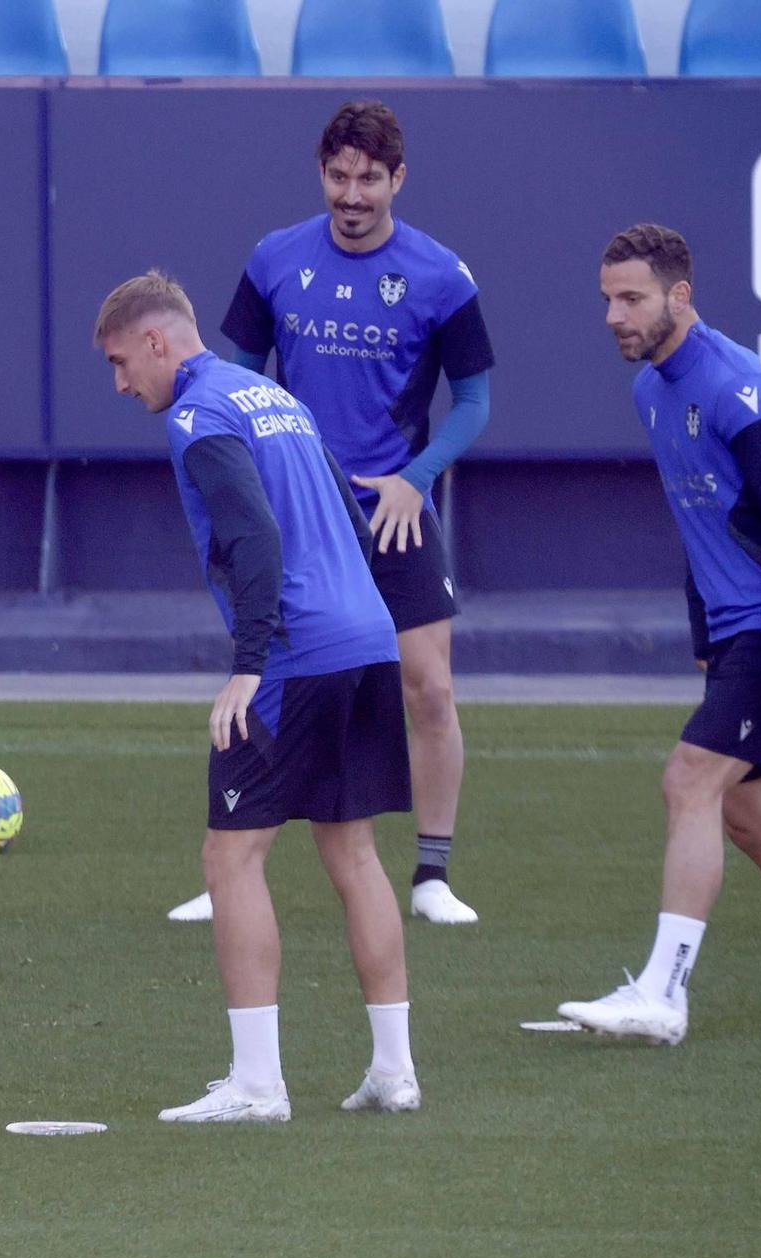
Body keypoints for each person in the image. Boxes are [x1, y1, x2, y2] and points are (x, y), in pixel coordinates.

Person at [97, 272, 418, 1123]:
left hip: (293, 656)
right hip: (367, 639)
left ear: (158, 341)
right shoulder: (272, 394)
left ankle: (257, 1084)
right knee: (353, 855)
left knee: (230, 856)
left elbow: (253, 537)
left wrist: (248, 663)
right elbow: (352, 525)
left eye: (123, 362)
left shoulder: (200, 415)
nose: (122, 383)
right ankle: (394, 1071)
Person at [170, 99, 494, 927]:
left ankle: (431, 873)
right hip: (300, 517)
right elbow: (231, 378)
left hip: (394, 510)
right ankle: (232, 867)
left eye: (370, 179)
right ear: (322, 172)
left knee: (428, 686)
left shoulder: (441, 276)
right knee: (274, 676)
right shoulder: (275, 259)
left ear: (398, 180)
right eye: (339, 176)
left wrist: (414, 480)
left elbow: (475, 401)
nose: (352, 194)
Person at [558, 224, 761, 1042]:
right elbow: (700, 518)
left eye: (632, 299)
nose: (615, 314)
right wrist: (705, 630)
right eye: (608, 299)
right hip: (739, 631)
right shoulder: (651, 388)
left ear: (680, 296)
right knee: (756, 818)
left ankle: (663, 992)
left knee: (689, 782)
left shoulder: (743, 391)